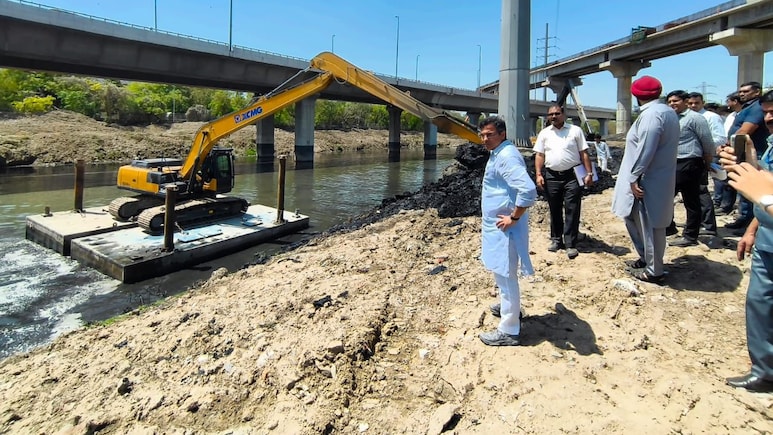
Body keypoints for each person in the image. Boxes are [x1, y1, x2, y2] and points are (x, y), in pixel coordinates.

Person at [719, 89, 773, 392]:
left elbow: (766, 194)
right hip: (767, 238)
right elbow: (766, 189)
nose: (768, 119)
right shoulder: (771, 146)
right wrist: (752, 228)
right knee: (760, 304)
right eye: (766, 113)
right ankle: (765, 370)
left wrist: (763, 197)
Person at [611, 75, 679, 283]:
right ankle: (646, 258)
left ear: (636, 95)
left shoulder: (652, 116)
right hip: (655, 177)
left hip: (646, 180)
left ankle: (653, 270)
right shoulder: (667, 112)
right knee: (634, 219)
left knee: (648, 225)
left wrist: (634, 177)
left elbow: (646, 149)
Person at [477, 116, 537, 347]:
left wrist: (514, 217)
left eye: (490, 134)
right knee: (501, 272)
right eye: (482, 135)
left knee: (506, 274)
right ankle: (508, 307)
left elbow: (528, 190)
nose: (485, 139)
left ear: (502, 134)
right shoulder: (499, 153)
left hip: (506, 228)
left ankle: (509, 329)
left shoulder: (506, 157)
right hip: (498, 227)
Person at [533, 105, 594, 259]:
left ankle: (570, 243)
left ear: (563, 114)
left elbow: (583, 153)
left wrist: (589, 173)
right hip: (551, 176)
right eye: (551, 114)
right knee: (554, 208)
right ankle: (556, 239)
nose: (554, 116)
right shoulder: (544, 133)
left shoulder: (575, 131)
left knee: (572, 209)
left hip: (572, 176)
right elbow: (540, 155)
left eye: (557, 113)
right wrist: (539, 174)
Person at [664, 90, 714, 247]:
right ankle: (668, 227)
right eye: (669, 101)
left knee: (691, 200)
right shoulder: (670, 118)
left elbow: (707, 141)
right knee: (665, 197)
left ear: (685, 102)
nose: (672, 104)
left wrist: (708, 162)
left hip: (690, 162)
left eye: (675, 101)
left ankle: (690, 236)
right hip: (672, 162)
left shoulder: (695, 118)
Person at [725, 82, 768, 235]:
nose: (742, 94)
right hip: (744, 152)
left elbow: (745, 131)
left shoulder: (756, 108)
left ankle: (748, 223)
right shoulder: (747, 107)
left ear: (757, 92)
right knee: (743, 190)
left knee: (751, 189)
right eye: (740, 91)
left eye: (746, 91)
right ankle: (743, 219)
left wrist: (730, 146)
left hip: (754, 153)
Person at [687, 91, 726, 236]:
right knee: (691, 192)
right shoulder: (686, 118)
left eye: (696, 103)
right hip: (690, 159)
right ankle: (697, 223)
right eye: (690, 103)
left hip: (706, 157)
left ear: (702, 103)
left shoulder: (711, 117)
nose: (693, 106)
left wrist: (702, 147)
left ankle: (708, 226)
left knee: (702, 190)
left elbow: (720, 138)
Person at [714, 92, 743, 215]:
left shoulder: (743, 114)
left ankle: (733, 208)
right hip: (726, 149)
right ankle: (724, 204)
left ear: (734, 101)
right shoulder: (732, 115)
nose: (727, 104)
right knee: (724, 179)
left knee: (735, 180)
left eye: (728, 101)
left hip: (738, 151)